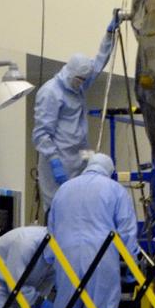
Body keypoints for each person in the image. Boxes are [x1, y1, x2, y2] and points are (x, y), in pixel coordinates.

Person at [44, 153, 139, 308]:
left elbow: (51, 229)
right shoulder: (114, 190)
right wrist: (132, 268)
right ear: (109, 169)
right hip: (100, 255)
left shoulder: (63, 190)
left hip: (65, 256)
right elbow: (127, 231)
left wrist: (51, 261)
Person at [32, 15, 122, 216]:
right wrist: (55, 162)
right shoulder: (51, 93)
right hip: (57, 161)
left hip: (79, 156)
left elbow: (99, 61)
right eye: (80, 79)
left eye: (84, 80)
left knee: (78, 210)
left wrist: (109, 35)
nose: (83, 83)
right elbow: (41, 134)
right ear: (70, 73)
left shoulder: (78, 86)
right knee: (59, 211)